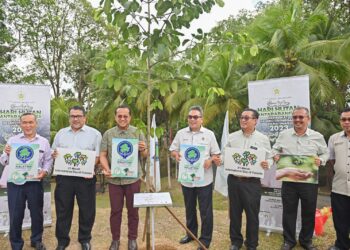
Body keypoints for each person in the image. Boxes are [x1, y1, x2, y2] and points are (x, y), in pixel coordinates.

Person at [272, 107, 329, 250]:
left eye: (301, 117)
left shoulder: (317, 136)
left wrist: (320, 160)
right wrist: (275, 156)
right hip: (289, 181)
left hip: (309, 182)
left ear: (308, 119)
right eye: (295, 117)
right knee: (289, 211)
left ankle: (306, 241)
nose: (297, 120)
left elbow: (325, 153)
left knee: (308, 211)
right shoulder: (284, 135)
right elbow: (274, 149)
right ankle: (289, 241)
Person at [169, 105, 221, 250]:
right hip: (187, 179)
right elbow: (173, 150)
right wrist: (176, 155)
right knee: (189, 209)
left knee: (205, 211)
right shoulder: (181, 134)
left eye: (195, 117)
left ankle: (205, 240)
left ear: (201, 119)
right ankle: (190, 234)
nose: (192, 119)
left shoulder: (209, 134)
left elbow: (216, 154)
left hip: (204, 179)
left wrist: (210, 161)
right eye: (190, 117)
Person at [52, 106, 102, 250]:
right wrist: (54, 154)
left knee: (87, 210)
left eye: (78, 116)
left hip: (85, 179)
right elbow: (54, 151)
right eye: (73, 116)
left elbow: (98, 156)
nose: (75, 119)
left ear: (85, 118)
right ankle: (62, 241)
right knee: (63, 209)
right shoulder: (61, 134)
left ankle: (85, 239)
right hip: (64, 178)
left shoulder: (95, 134)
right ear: (69, 118)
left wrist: (86, 168)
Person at [0, 113, 52, 250]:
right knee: (16, 214)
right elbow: (3, 161)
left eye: (30, 122)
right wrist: (7, 153)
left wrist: (45, 172)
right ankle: (16, 244)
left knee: (37, 213)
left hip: (35, 182)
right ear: (20, 124)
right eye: (24, 122)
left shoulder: (43, 142)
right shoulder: (12, 140)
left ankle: (36, 241)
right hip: (15, 183)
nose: (28, 125)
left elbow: (48, 161)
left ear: (36, 123)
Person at [100, 104, 148, 250]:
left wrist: (144, 149)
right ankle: (115, 240)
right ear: (115, 117)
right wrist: (106, 168)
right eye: (119, 116)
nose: (122, 118)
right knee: (115, 211)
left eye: (125, 116)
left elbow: (145, 155)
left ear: (130, 117)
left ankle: (132, 239)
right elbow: (102, 155)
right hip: (114, 180)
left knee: (133, 211)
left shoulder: (137, 132)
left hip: (133, 179)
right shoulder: (108, 134)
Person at [223, 108, 272, 250]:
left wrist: (267, 163)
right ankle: (236, 242)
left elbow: (269, 158)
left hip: (252, 183)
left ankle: (251, 244)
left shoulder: (263, 139)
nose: (243, 120)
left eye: (247, 118)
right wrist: (219, 159)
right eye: (242, 117)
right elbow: (224, 154)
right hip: (234, 181)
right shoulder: (232, 137)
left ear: (255, 121)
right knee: (234, 213)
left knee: (252, 215)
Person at [327, 107, 350, 250]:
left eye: (349, 119)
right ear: (340, 121)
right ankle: (341, 245)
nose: (347, 122)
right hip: (339, 187)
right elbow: (331, 161)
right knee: (340, 220)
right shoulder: (334, 139)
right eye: (344, 119)